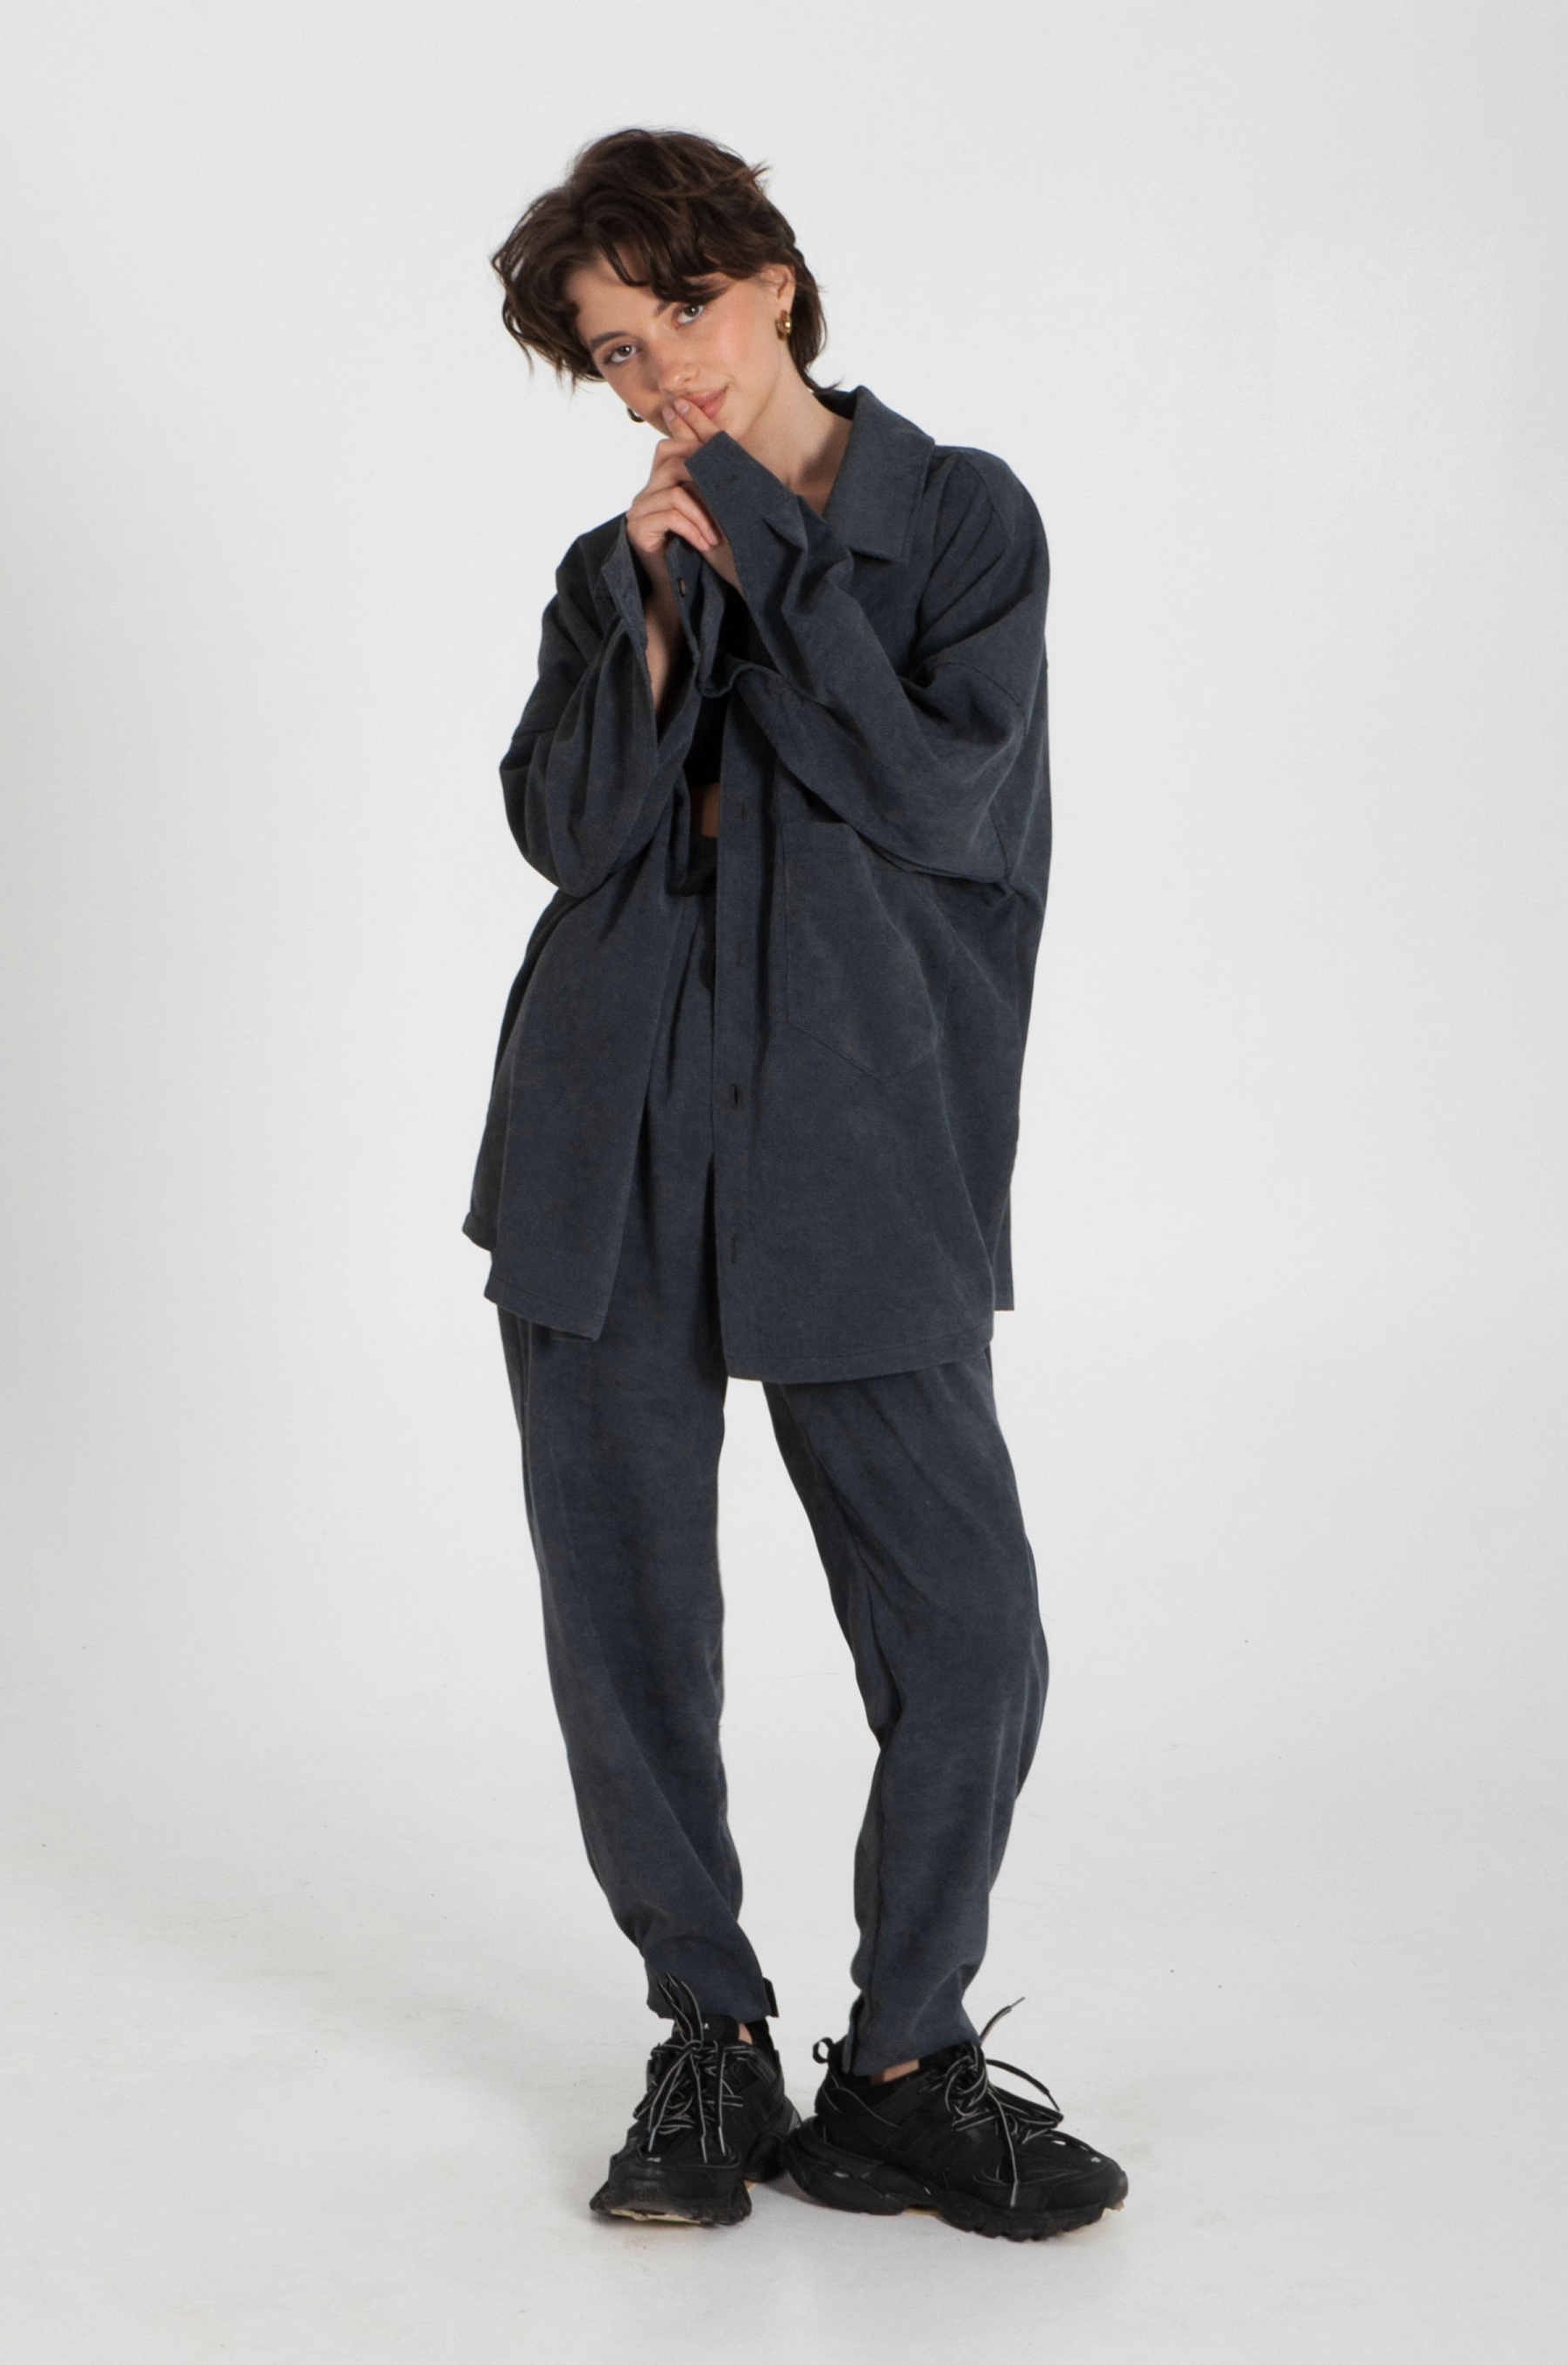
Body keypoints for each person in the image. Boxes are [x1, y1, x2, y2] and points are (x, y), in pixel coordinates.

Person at [466, 126, 1127, 2243]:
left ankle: (903, 2068)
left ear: (766, 280)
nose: (655, 375)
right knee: (626, 1627)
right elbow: (560, 832)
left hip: (858, 1134)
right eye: (611, 354)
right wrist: (655, 621)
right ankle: (707, 2037)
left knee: (968, 1631)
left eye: (673, 318)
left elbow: (937, 787)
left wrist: (753, 545)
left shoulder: (960, 520)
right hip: (603, 1137)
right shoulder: (620, 562)